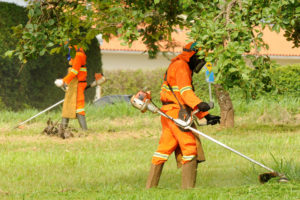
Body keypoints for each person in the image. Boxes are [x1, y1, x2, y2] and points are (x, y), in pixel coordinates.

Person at [146, 42, 220, 189]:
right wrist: (200, 104)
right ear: (193, 55)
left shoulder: (179, 64)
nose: (201, 63)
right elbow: (186, 93)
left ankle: (150, 188)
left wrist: (205, 115)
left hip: (169, 114)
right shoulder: (181, 67)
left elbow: (181, 98)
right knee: (190, 148)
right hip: (176, 114)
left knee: (163, 149)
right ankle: (187, 190)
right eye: (200, 59)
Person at [55, 45, 88, 130]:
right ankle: (62, 129)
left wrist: (63, 81)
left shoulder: (78, 55)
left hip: (78, 84)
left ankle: (84, 130)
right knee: (67, 103)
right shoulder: (76, 54)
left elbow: (74, 71)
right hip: (74, 84)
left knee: (79, 106)